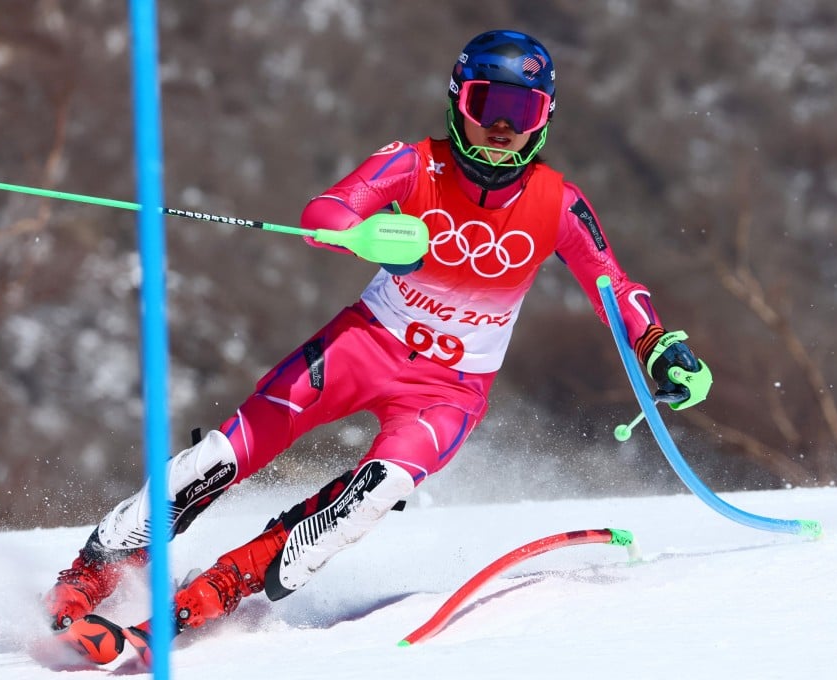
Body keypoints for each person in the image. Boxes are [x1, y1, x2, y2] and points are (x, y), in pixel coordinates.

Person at [45, 29, 710, 659]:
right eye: (487, 106)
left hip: (450, 391)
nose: (502, 128)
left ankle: (212, 594)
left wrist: (660, 346)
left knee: (364, 501)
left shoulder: (557, 203)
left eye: (522, 111)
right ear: (459, 102)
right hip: (366, 343)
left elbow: (611, 284)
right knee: (224, 453)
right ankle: (93, 574)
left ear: (545, 118)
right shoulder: (414, 165)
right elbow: (324, 213)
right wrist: (365, 232)